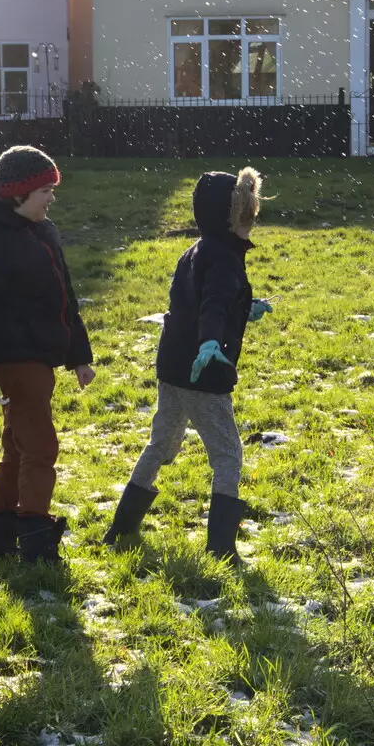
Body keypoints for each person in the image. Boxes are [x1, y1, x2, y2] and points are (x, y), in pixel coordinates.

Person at [103, 168, 268, 561]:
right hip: (203, 372)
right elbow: (211, 304)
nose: (253, 219)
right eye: (250, 212)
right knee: (228, 455)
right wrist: (211, 341)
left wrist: (246, 306)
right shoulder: (227, 258)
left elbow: (198, 299)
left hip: (172, 368)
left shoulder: (196, 249)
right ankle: (221, 549)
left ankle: (121, 528)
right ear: (237, 216)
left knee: (163, 442)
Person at [0, 146, 94, 563]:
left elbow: (66, 297)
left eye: (53, 189)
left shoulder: (44, 231)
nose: (51, 198)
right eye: (44, 191)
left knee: (18, 446)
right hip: (14, 358)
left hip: (41, 355)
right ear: (17, 195)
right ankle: (35, 535)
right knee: (40, 446)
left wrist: (79, 356)